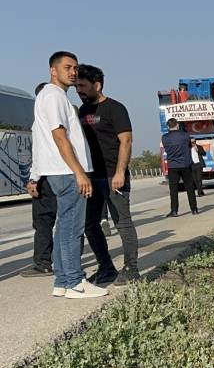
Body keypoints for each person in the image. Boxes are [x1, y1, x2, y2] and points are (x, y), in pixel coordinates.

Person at [32, 51, 107, 299]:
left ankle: (63, 281)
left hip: (60, 170)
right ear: (53, 71)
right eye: (67, 67)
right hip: (67, 171)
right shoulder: (53, 96)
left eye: (75, 67)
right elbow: (59, 135)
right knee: (72, 228)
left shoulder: (51, 96)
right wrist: (79, 172)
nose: (73, 72)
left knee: (63, 227)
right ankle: (76, 282)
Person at [75, 64, 141, 285]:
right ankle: (106, 268)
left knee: (122, 223)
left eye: (83, 86)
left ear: (97, 85)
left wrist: (120, 172)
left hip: (114, 176)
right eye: (76, 86)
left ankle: (131, 268)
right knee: (90, 224)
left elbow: (126, 140)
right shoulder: (83, 111)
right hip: (92, 178)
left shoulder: (115, 108)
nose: (79, 90)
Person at [21, 82, 56, 277]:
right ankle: (71, 261)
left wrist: (33, 179)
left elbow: (40, 153)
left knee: (43, 221)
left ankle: (43, 262)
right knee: (69, 221)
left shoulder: (40, 123)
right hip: (67, 175)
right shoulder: (66, 114)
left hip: (47, 177)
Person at [161, 118, 198, 216]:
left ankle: (174, 210)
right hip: (186, 164)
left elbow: (166, 148)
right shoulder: (185, 135)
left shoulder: (164, 137)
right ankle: (194, 209)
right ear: (177, 125)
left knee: (173, 189)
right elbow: (190, 146)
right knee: (190, 187)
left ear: (168, 126)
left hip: (173, 166)